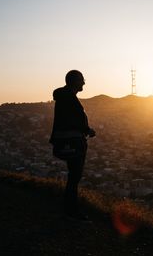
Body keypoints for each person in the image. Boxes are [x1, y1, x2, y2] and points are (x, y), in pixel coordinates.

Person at [49, 70, 96, 219]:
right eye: (82, 80)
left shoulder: (64, 97)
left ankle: (69, 208)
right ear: (75, 81)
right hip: (74, 143)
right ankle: (71, 210)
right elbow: (74, 121)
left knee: (73, 176)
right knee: (74, 177)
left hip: (68, 141)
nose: (84, 82)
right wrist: (88, 130)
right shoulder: (69, 99)